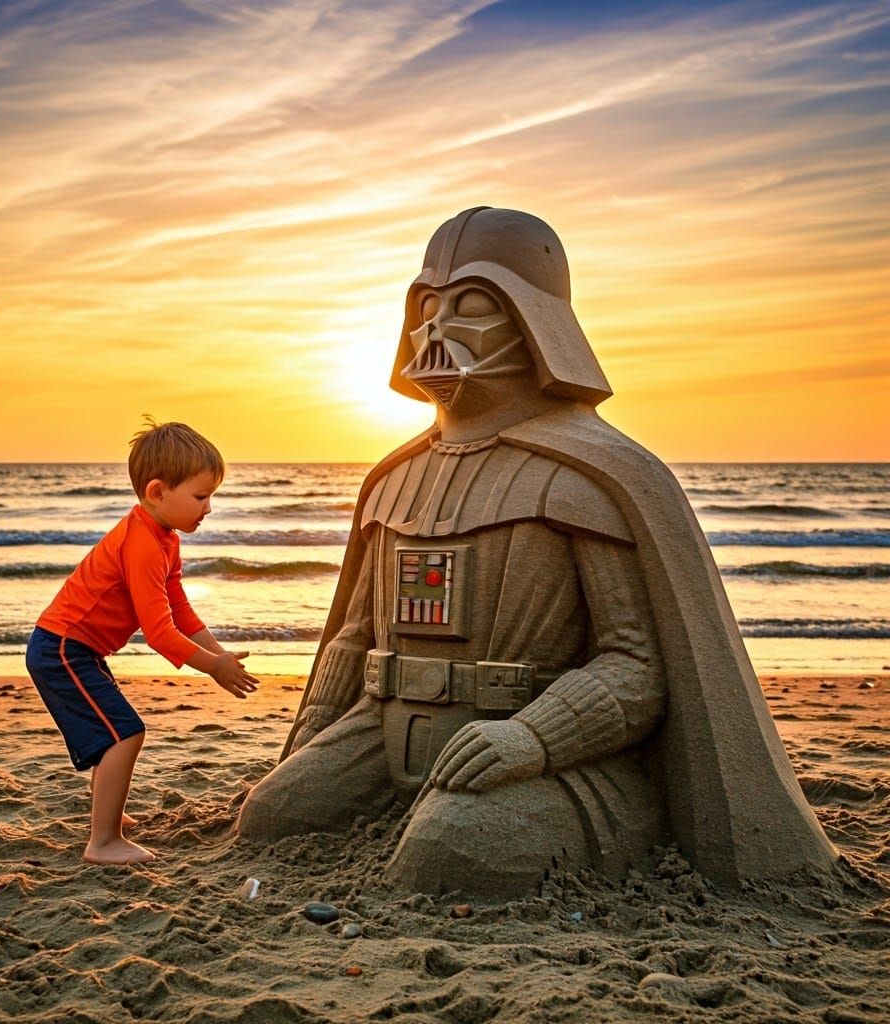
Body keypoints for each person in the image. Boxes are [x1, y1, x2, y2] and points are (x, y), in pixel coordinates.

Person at [236, 208, 835, 897]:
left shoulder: (590, 474)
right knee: (271, 818)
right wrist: (307, 744)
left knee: (452, 853)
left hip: (543, 748)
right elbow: (353, 637)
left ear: (533, 321)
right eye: (427, 306)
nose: (436, 330)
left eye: (470, 305)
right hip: (389, 728)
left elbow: (637, 667)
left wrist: (531, 739)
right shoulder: (392, 478)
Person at [26, 420, 258, 865]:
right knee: (124, 733)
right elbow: (158, 632)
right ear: (157, 492)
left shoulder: (165, 538)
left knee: (111, 731)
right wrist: (211, 667)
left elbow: (180, 610)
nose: (209, 508)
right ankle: (103, 841)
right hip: (60, 650)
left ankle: (108, 814)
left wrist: (219, 654)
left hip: (77, 649)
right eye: (200, 496)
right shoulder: (142, 544)